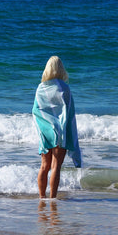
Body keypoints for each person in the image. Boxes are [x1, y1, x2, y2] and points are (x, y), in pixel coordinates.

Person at [32, 56, 81, 199]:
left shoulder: (41, 88)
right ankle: (52, 199)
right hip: (60, 132)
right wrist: (68, 134)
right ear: (61, 69)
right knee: (55, 167)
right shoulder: (64, 88)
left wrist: (43, 128)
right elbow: (69, 114)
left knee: (44, 166)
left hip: (45, 131)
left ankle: (42, 198)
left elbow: (36, 111)